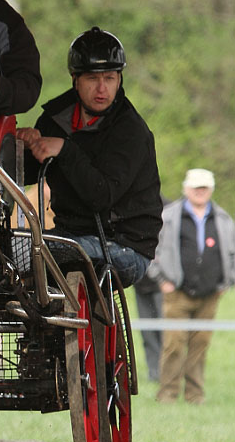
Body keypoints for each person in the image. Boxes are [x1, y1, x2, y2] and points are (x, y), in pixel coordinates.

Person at [16, 26, 162, 288]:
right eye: (93, 79)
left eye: (110, 78)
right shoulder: (55, 119)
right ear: (75, 79)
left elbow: (101, 196)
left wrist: (64, 149)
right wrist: (25, 147)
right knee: (7, 251)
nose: (102, 89)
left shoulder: (131, 131)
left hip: (124, 246)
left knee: (38, 253)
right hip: (70, 235)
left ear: (120, 79)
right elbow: (26, 175)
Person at [149, 168, 235, 404]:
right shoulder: (168, 216)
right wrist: (161, 279)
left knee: (200, 346)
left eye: (204, 188)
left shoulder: (224, 219)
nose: (200, 192)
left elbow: (232, 254)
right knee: (174, 345)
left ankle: (195, 396)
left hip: (210, 294)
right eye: (196, 187)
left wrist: (226, 281)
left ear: (211, 190)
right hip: (176, 293)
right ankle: (167, 395)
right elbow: (151, 250)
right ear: (186, 189)